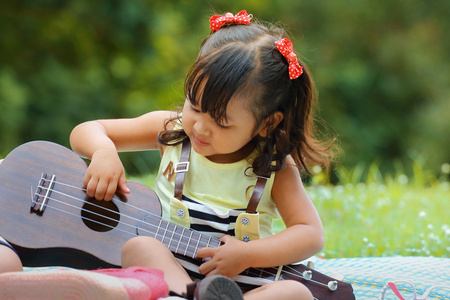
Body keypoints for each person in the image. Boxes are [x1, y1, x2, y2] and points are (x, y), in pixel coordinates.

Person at [70, 10, 335, 300]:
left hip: (240, 286)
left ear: (266, 123)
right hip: (173, 276)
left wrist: (247, 254)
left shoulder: (273, 166)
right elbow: (89, 129)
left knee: (295, 293)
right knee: (139, 247)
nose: (200, 127)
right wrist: (103, 150)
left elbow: (310, 233)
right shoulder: (172, 130)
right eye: (194, 106)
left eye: (220, 122)